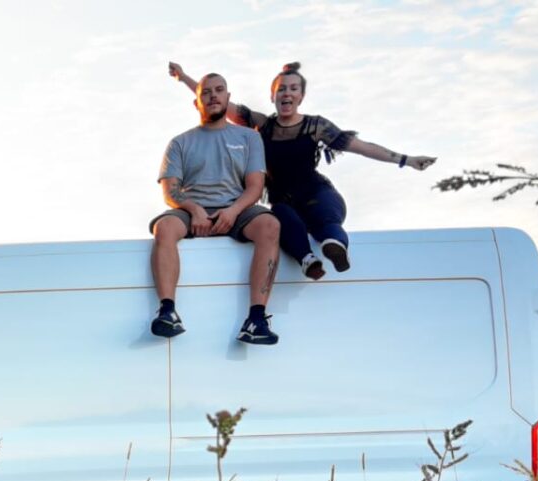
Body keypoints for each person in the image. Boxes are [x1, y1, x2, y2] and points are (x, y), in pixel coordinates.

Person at [168, 61, 436, 278]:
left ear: (301, 96)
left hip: (316, 193)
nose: (287, 93)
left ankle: (335, 248)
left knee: (325, 222)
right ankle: (308, 261)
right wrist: (184, 78)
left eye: (293, 89)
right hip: (284, 201)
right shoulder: (263, 126)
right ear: (273, 96)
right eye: (281, 89)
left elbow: (362, 147)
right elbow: (216, 101)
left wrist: (407, 160)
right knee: (282, 219)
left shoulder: (316, 126)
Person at [150, 72, 281, 345]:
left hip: (236, 209)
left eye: (219, 90)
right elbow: (170, 192)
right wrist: (194, 209)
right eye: (206, 92)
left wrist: (232, 211)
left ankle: (256, 320)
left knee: (270, 225)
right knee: (164, 226)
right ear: (196, 102)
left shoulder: (249, 137)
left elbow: (255, 187)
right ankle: (167, 311)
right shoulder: (180, 142)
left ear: (227, 97)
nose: (213, 96)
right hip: (192, 209)